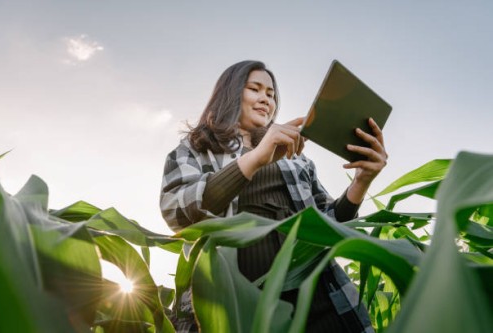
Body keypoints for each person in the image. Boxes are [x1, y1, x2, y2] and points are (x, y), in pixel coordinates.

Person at [160, 60, 388, 332]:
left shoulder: (297, 160)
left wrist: (361, 182)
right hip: (234, 304)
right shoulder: (196, 148)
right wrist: (256, 158)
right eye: (255, 89)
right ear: (230, 93)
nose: (265, 99)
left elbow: (329, 225)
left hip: (317, 297)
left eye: (271, 94)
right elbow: (177, 213)